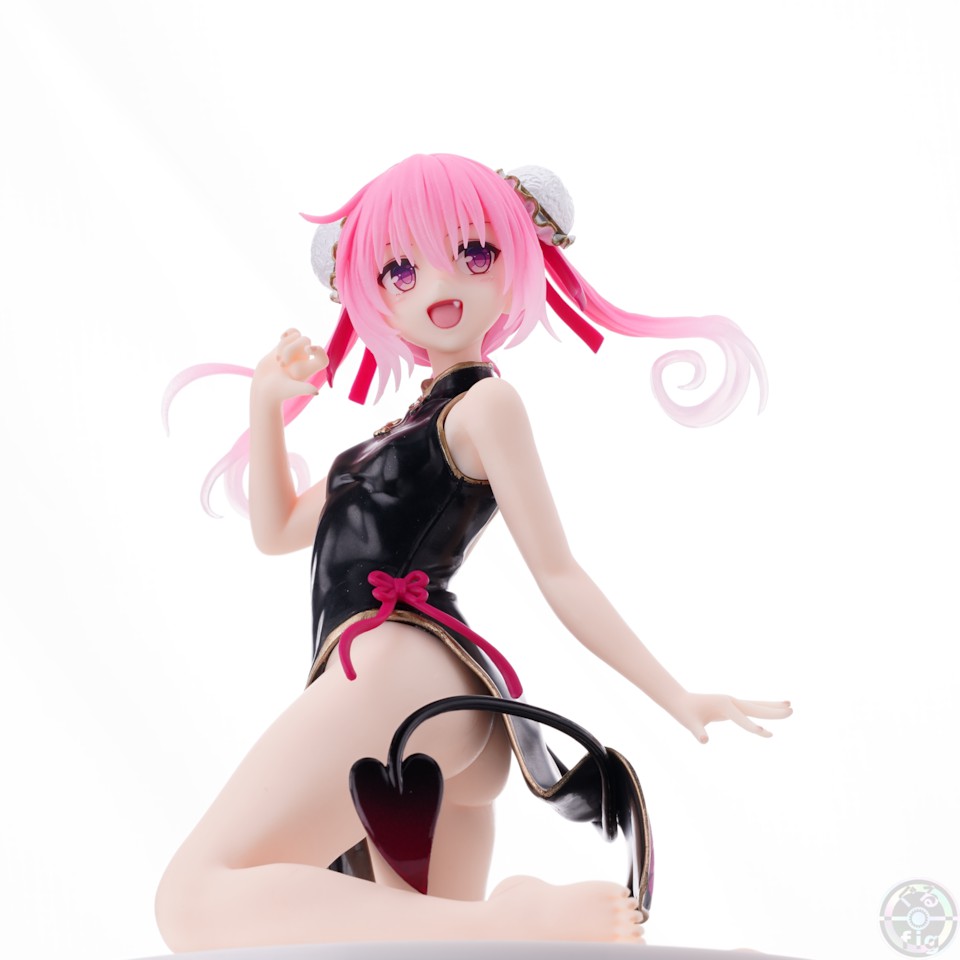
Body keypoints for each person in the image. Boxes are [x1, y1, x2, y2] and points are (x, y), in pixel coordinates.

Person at [156, 153, 790, 949]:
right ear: (371, 296)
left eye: (475, 252)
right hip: (450, 711)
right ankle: (512, 925)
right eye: (400, 270)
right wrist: (265, 403)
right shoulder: (387, 439)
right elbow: (278, 531)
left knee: (191, 902)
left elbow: (558, 571)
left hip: (396, 674)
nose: (439, 284)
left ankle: (511, 919)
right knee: (429, 947)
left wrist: (676, 692)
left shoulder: (486, 406)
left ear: (518, 257)